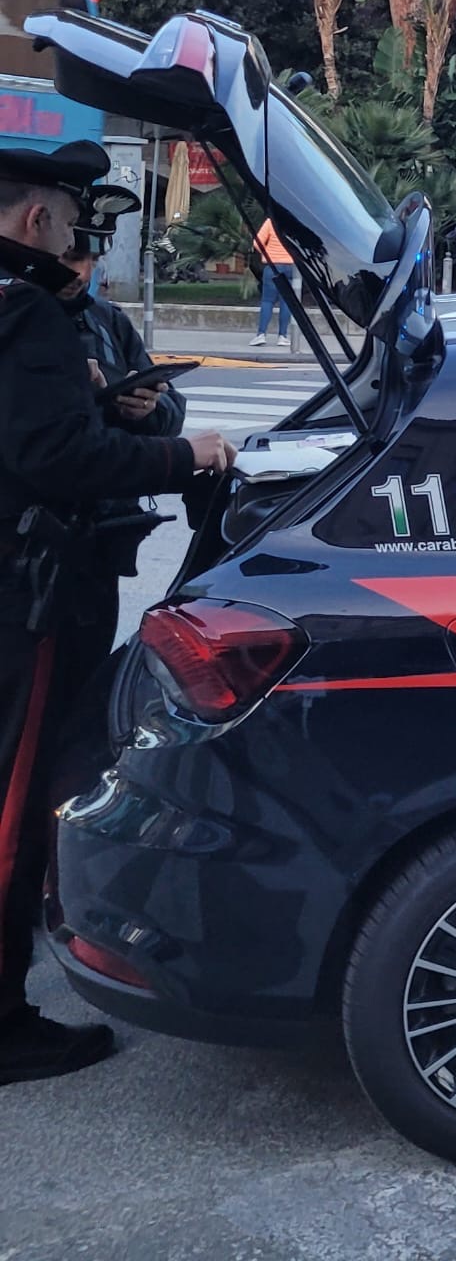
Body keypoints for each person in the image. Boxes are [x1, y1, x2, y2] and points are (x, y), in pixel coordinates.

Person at [0, 142, 234, 1085]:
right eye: (66, 214)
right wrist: (190, 460)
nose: (74, 236)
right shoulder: (33, 317)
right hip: (31, 594)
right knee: (17, 801)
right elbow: (59, 461)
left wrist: (113, 408)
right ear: (34, 220)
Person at [59, 184, 187, 666]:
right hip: (37, 542)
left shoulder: (109, 321)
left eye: (93, 259)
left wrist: (147, 408)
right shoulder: (19, 319)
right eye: (72, 256)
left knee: (87, 672)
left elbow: (171, 413)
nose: (82, 273)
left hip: (103, 537)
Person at [249, 216, 294, 346]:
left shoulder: (271, 221)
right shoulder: (293, 221)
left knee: (267, 300)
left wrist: (266, 253)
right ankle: (282, 336)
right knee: (286, 301)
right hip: (290, 266)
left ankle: (261, 334)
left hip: (272, 265)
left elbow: (257, 243)